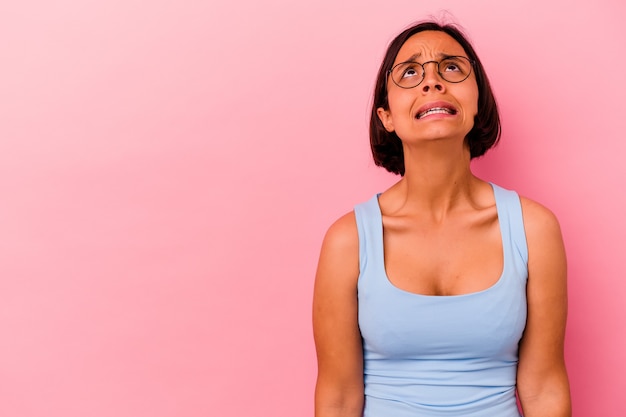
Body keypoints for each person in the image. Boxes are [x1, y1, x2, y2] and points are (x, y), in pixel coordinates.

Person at [312, 20, 571, 417]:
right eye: (411, 72)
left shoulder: (534, 229)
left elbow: (543, 389)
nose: (432, 81)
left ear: (477, 101)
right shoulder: (348, 240)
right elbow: (339, 397)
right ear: (387, 117)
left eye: (451, 67)